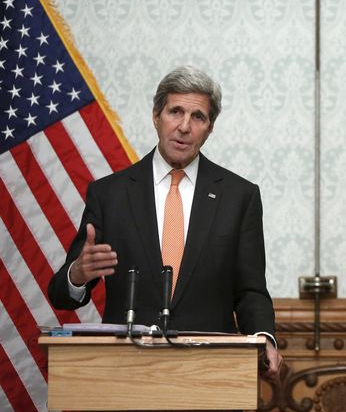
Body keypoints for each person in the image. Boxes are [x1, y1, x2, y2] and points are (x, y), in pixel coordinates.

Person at [48, 65, 282, 377]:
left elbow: (250, 290)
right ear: (156, 116)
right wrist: (76, 274)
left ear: (210, 127)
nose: (184, 126)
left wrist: (264, 337)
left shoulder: (240, 196)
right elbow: (61, 295)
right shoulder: (110, 194)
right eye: (175, 112)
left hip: (209, 372)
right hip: (125, 371)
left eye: (197, 117)